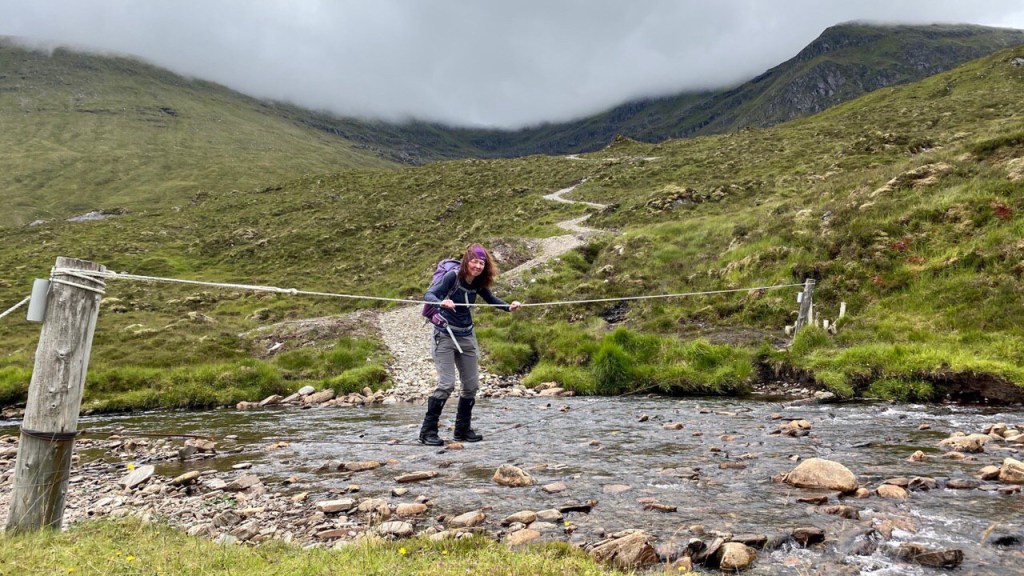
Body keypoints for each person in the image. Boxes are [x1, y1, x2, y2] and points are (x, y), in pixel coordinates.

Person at [418, 243, 521, 446]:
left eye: (481, 263)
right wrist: (441, 302)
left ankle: (462, 430)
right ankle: (427, 432)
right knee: (446, 385)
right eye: (474, 261)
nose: (477, 266)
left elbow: (490, 299)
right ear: (467, 261)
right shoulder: (452, 276)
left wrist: (508, 307)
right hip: (444, 335)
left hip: (466, 336)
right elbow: (429, 295)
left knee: (471, 386)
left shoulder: (478, 282)